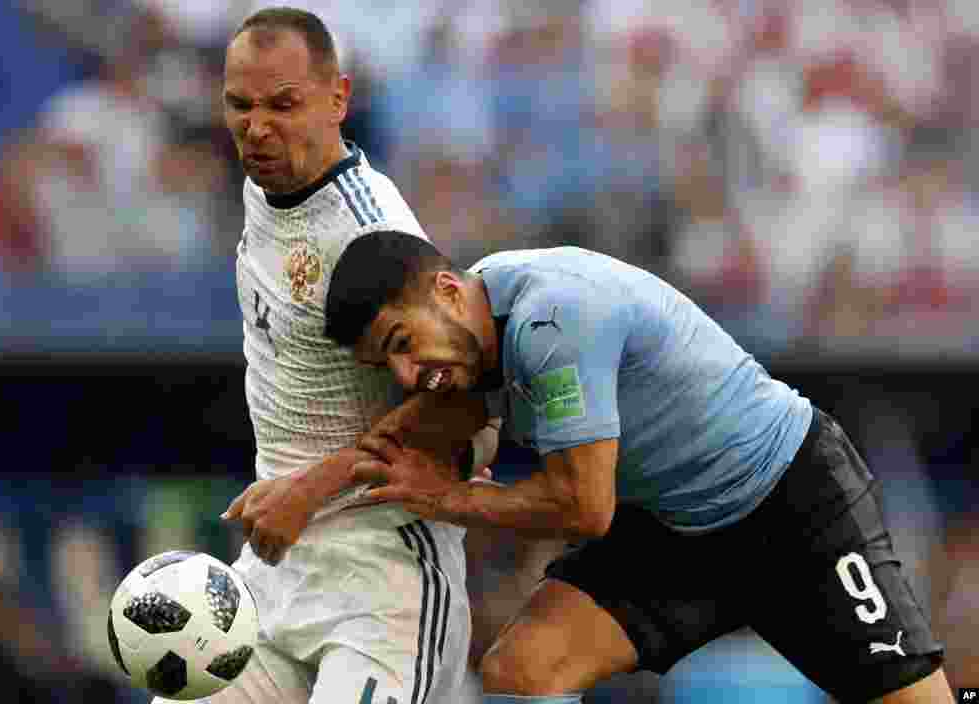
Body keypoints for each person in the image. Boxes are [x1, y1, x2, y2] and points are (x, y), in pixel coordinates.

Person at [317, 230, 955, 703]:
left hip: (794, 503)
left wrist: (447, 498)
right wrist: (297, 492)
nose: (406, 377)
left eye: (403, 344)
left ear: (448, 292)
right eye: (387, 365)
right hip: (672, 529)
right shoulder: (479, 312)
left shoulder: (552, 319)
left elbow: (585, 509)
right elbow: (435, 424)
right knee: (523, 671)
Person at [178, 9, 496, 704]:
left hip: (385, 581)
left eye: (283, 104)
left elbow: (470, 401)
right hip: (277, 570)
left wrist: (313, 488)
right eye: (240, 105)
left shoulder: (369, 230)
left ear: (338, 99)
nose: (257, 127)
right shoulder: (267, 182)